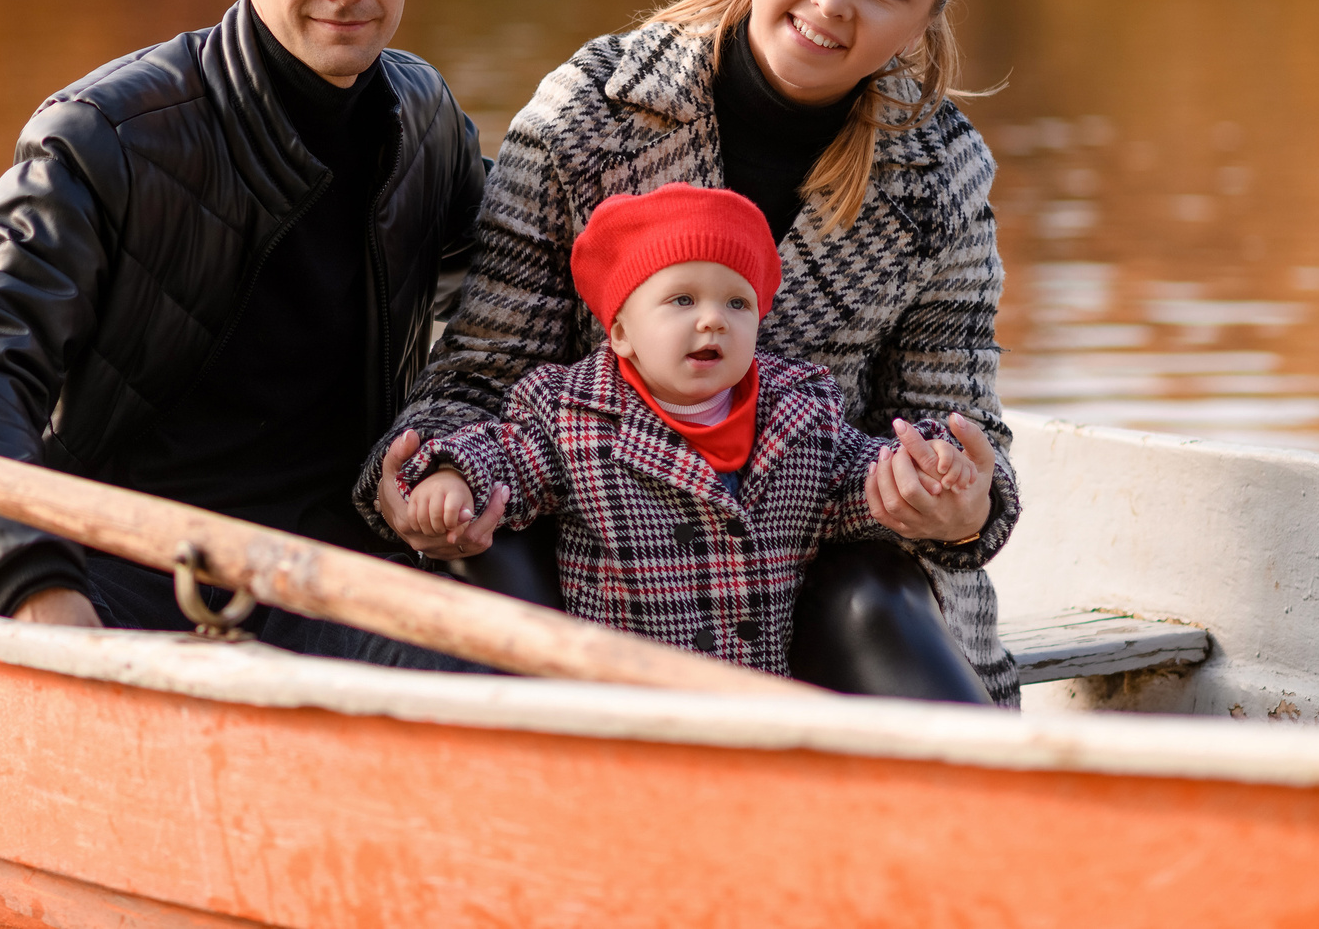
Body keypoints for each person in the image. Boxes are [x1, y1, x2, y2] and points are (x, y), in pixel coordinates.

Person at [361, 0, 1023, 704]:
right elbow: (478, 379)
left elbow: (952, 424)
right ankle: (559, 810)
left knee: (870, 585)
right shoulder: (590, 116)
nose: (833, 2)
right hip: (607, 573)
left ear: (922, 20)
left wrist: (957, 496)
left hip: (813, 569)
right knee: (484, 551)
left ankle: (974, 822)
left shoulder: (938, 171)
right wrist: (426, 472)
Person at [0, 0, 486, 666]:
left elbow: (505, 302)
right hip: (112, 558)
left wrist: (463, 455)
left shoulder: (427, 120)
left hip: (324, 565)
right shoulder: (106, 135)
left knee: (509, 682)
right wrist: (33, 585)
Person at [394, 183, 987, 673]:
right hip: (627, 706)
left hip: (760, 703)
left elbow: (866, 478)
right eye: (681, 300)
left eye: (737, 303)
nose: (713, 320)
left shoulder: (803, 417)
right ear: (621, 332)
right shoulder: (573, 417)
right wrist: (451, 476)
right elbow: (504, 456)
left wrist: (927, 469)